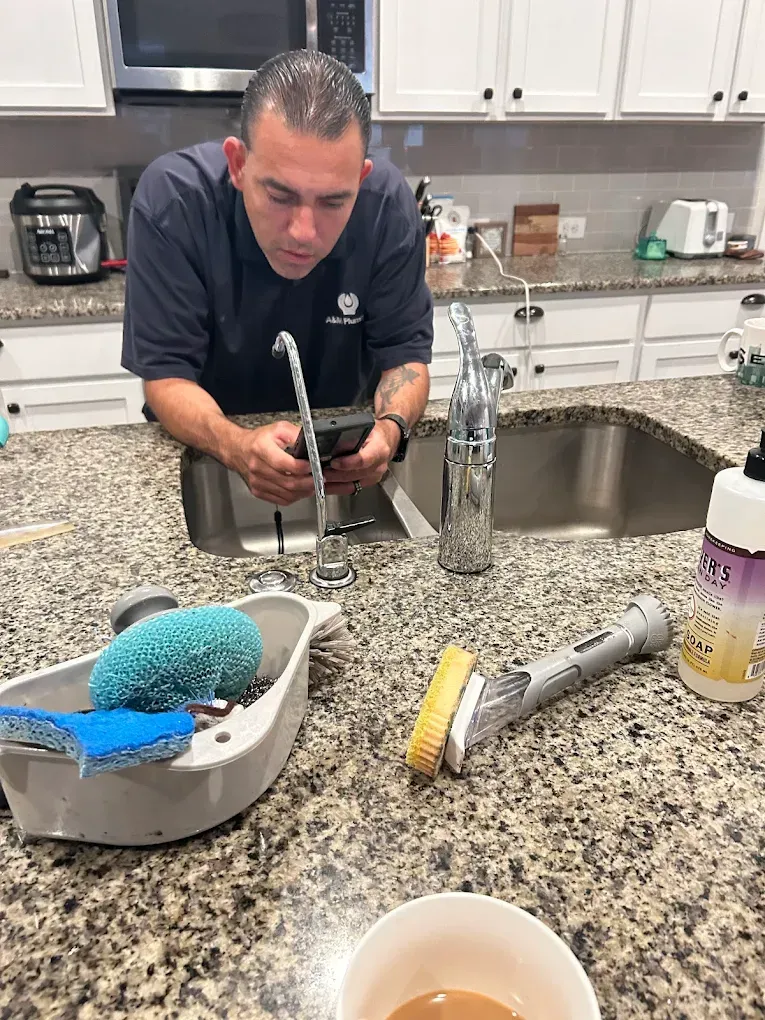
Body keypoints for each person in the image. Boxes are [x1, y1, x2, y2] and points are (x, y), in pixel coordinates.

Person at [121, 50, 433, 507]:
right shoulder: (174, 202)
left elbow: (406, 358)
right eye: (279, 195)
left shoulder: (387, 206)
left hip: (338, 466)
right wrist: (236, 445)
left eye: (332, 202)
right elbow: (165, 377)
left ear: (361, 179)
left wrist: (390, 431)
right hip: (206, 455)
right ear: (238, 164)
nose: (303, 233)